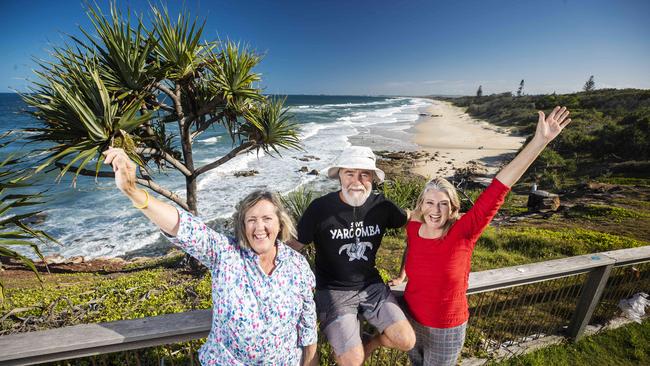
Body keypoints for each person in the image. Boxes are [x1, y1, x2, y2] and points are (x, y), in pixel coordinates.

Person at [389, 106, 572, 366]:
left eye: (443, 204)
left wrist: (539, 141)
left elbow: (500, 186)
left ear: (453, 208)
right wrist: (402, 275)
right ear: (421, 205)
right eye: (429, 203)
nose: (435, 210)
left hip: (446, 328)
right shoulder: (414, 228)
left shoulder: (464, 231)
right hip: (411, 320)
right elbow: (411, 249)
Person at [102, 147, 318, 366]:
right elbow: (184, 227)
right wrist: (133, 190)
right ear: (242, 226)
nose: (259, 227)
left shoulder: (297, 265)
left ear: (280, 223)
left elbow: (308, 328)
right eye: (251, 219)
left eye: (266, 218)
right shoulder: (225, 254)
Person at [289, 146, 416, 366]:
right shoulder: (320, 208)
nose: (356, 181)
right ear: (339, 175)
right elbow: (292, 248)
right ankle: (353, 349)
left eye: (364, 174)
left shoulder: (383, 206)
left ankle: (370, 342)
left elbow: (414, 223)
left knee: (406, 340)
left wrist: (404, 273)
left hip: (372, 287)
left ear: (373, 178)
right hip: (333, 292)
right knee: (352, 360)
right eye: (350, 173)